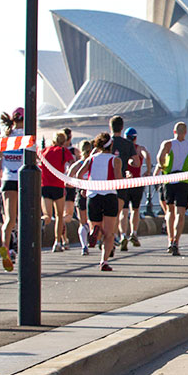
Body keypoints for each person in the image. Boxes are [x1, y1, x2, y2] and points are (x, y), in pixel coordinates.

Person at [74, 133, 123, 271]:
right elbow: (118, 180)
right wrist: (127, 178)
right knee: (109, 233)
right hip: (109, 195)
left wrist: (84, 187)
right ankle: (104, 261)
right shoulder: (115, 160)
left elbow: (78, 175)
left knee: (96, 227)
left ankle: (95, 231)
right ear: (111, 145)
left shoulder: (91, 159)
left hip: (93, 195)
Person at [156, 121, 188, 256]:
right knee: (180, 213)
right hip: (183, 180)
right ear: (186, 132)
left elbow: (160, 157)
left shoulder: (168, 144)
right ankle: (176, 241)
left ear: (174, 131)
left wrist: (163, 165)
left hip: (169, 179)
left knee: (169, 211)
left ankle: (170, 240)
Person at [0, 108, 25, 271]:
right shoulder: (26, 136)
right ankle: (22, 248)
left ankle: (6, 249)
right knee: (25, 218)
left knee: (9, 219)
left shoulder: (6, 136)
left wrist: (6, 152)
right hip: (24, 180)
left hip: (7, 180)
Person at [39, 130, 73, 253]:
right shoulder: (64, 151)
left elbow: (39, 164)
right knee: (59, 216)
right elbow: (71, 163)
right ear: (64, 141)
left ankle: (43, 221)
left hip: (45, 186)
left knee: (47, 215)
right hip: (58, 186)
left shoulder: (44, 151)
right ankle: (57, 242)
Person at [108, 116, 139, 249]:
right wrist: (129, 162)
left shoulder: (106, 142)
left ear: (110, 127)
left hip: (106, 181)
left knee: (107, 212)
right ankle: (114, 236)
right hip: (121, 182)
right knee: (118, 211)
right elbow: (137, 163)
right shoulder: (128, 144)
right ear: (122, 128)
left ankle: (108, 237)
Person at [119, 127, 150, 251]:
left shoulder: (123, 148)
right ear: (135, 138)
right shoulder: (139, 148)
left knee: (124, 211)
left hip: (124, 182)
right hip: (137, 182)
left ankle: (122, 236)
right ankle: (134, 233)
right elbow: (146, 155)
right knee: (135, 210)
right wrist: (147, 170)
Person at [67, 140, 93, 255]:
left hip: (80, 193)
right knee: (95, 221)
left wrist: (77, 184)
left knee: (82, 222)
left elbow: (67, 182)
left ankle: (84, 246)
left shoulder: (77, 165)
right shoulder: (92, 163)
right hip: (93, 193)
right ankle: (98, 238)